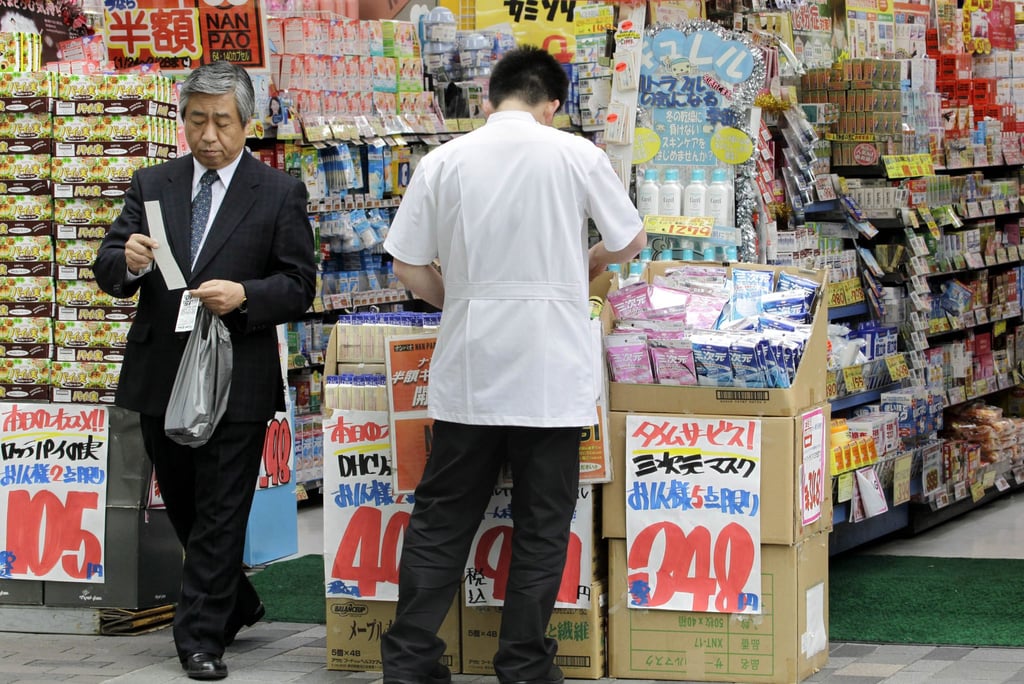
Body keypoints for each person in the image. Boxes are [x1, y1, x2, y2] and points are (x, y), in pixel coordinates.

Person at [379, 46, 646, 684]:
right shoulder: (576, 154)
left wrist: (462, 301)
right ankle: (523, 663)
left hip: (469, 370)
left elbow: (408, 266)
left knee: (442, 519)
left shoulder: (444, 160)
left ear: (490, 97)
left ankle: (412, 660)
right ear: (552, 104)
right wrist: (578, 268)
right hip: (552, 376)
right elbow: (631, 240)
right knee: (542, 525)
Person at [93, 61, 316, 681]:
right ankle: (236, 600)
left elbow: (300, 285)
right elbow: (109, 266)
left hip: (235, 372)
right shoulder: (153, 183)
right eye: (197, 121)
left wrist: (245, 296)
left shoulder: (277, 191)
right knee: (187, 504)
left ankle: (198, 639)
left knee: (222, 507)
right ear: (182, 120)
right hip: (163, 372)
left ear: (246, 123)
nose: (209, 135)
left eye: (222, 122)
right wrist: (128, 260)